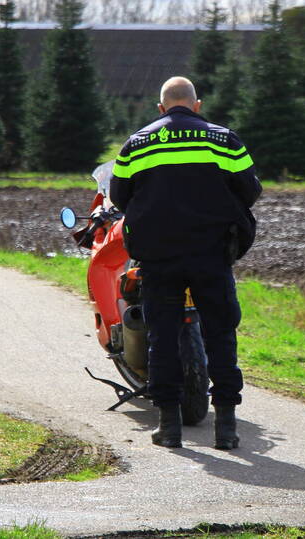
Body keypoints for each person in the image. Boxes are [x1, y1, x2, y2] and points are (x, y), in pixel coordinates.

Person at [110, 76, 262, 449]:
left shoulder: (137, 143)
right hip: (212, 254)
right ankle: (226, 427)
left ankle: (169, 427)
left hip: (159, 257)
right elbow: (251, 190)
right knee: (221, 336)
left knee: (162, 338)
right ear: (197, 105)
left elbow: (119, 196)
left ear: (161, 109)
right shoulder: (224, 139)